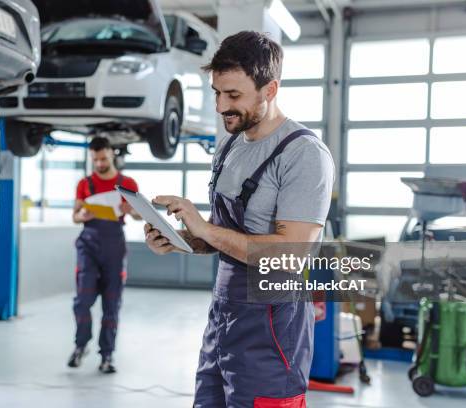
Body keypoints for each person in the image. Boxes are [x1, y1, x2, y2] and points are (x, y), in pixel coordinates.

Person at [144, 31, 335, 407]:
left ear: (270, 89)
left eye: (233, 96)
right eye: (217, 92)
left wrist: (205, 228)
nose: (220, 106)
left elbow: (290, 256)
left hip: (272, 327)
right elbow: (223, 237)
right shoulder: (230, 146)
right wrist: (184, 240)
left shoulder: (304, 155)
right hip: (224, 317)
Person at [68, 136, 141, 373]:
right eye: (95, 159)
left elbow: (141, 216)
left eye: (102, 158)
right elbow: (75, 216)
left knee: (112, 304)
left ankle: (107, 356)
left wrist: (132, 210)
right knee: (82, 301)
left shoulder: (127, 183)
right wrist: (83, 216)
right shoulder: (84, 184)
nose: (99, 163)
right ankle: (81, 345)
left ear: (112, 153)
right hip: (88, 244)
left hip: (114, 246)